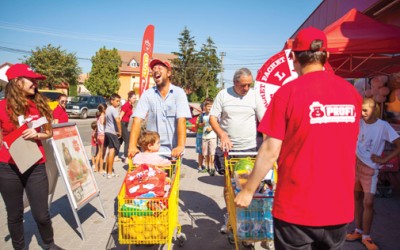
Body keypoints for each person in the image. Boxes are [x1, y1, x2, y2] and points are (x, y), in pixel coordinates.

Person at [234, 27, 362, 249]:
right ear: (327, 56)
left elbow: (270, 149)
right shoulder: (351, 94)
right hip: (338, 207)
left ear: (293, 57)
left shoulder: (287, 93)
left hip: (296, 208)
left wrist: (248, 190)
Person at [0, 63, 62, 249]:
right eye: (32, 80)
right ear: (17, 82)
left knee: (41, 214)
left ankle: (49, 245)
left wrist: (38, 135)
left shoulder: (39, 105)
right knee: (15, 214)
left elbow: (49, 132)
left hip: (35, 164)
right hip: (8, 167)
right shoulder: (2, 106)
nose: (35, 84)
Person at [209, 67, 266, 233]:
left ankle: (248, 217)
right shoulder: (223, 95)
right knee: (229, 184)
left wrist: (269, 141)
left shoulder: (254, 95)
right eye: (243, 85)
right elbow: (213, 118)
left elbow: (264, 120)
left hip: (249, 148)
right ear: (234, 83)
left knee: (250, 184)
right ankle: (230, 216)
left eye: (249, 84)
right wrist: (222, 135)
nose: (246, 88)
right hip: (228, 149)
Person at [346, 98, 400, 250]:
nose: (362, 114)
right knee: (356, 198)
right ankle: (358, 230)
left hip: (371, 169)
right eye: (360, 110)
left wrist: (384, 159)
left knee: (368, 202)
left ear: (374, 108)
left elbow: (398, 145)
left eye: (365, 110)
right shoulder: (357, 122)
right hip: (355, 165)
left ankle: (366, 236)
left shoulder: (383, 126)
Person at [128, 58, 191, 159]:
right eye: (154, 68)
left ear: (169, 73)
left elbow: (182, 120)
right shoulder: (147, 94)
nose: (156, 70)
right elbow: (137, 120)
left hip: (172, 150)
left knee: (169, 174)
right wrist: (132, 146)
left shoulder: (179, 93)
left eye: (160, 68)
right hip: (152, 150)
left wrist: (180, 146)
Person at [104, 93, 122, 179]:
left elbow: (105, 120)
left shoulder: (108, 109)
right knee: (112, 151)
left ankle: (109, 170)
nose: (118, 103)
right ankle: (109, 173)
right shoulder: (113, 110)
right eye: (117, 101)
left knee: (110, 151)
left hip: (107, 131)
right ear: (112, 101)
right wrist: (120, 131)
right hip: (112, 132)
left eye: (119, 101)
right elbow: (118, 120)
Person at [119, 90, 136, 163]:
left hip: (126, 124)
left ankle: (115, 155)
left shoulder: (131, 106)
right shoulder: (126, 105)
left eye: (135, 98)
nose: (135, 100)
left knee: (120, 140)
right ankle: (126, 157)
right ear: (129, 98)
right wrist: (118, 127)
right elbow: (120, 116)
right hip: (122, 123)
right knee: (127, 140)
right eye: (133, 98)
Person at [202, 98, 217, 176]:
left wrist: (211, 128)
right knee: (205, 153)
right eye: (208, 106)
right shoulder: (203, 115)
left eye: (211, 106)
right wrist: (202, 124)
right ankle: (206, 167)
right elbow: (200, 124)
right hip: (204, 137)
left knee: (212, 153)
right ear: (205, 107)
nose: (209, 108)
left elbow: (217, 124)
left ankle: (212, 167)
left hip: (212, 137)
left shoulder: (214, 115)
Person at [94, 103, 107, 174]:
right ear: (104, 109)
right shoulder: (103, 117)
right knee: (102, 153)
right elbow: (106, 125)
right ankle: (101, 169)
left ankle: (96, 167)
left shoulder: (98, 117)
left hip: (99, 135)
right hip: (103, 136)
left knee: (99, 152)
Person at [196, 102, 206, 172]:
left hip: (208, 135)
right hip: (200, 134)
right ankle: (200, 165)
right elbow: (197, 125)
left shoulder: (211, 115)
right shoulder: (201, 116)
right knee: (200, 152)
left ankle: (206, 165)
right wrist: (202, 124)